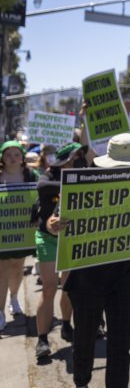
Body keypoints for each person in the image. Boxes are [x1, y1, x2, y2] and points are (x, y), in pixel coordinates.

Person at [51, 133, 130, 388]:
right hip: (87, 279)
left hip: (123, 277)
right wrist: (55, 224)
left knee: (120, 343)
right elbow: (55, 219)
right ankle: (82, 382)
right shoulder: (84, 181)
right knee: (85, 339)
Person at [32, 143, 86, 359]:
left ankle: (66, 325)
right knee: (49, 288)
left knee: (69, 287)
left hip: (72, 239)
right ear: (64, 161)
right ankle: (42, 340)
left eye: (81, 157)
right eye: (74, 158)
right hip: (48, 238)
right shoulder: (49, 177)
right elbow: (43, 189)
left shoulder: (84, 175)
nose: (79, 161)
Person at [0, 141, 39, 332]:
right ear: (2, 157)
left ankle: (14, 298)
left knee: (17, 266)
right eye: (8, 154)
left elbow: (43, 195)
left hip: (23, 232)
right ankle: (0, 311)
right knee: (3, 269)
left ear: (22, 157)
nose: (12, 158)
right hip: (3, 233)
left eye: (16, 154)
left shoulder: (31, 175)